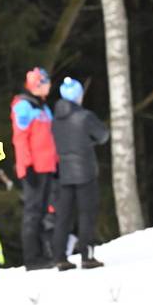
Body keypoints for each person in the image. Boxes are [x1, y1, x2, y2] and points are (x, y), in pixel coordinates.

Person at [51, 77, 110, 270]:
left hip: (65, 173)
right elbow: (103, 136)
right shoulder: (85, 116)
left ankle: (60, 257)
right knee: (87, 214)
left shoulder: (55, 119)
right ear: (78, 95)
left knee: (64, 216)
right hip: (85, 172)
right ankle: (87, 256)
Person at [10, 67, 59, 270]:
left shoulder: (44, 108)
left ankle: (44, 254)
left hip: (47, 167)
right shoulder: (23, 106)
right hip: (34, 168)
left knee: (43, 212)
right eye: (46, 82)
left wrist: (56, 164)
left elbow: (50, 140)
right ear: (37, 85)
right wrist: (26, 166)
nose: (49, 86)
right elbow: (20, 139)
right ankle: (32, 258)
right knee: (33, 212)